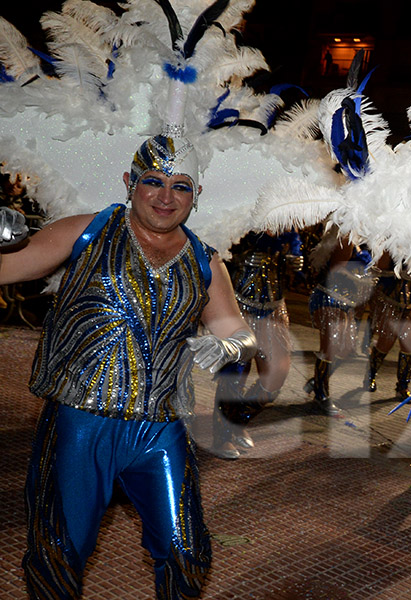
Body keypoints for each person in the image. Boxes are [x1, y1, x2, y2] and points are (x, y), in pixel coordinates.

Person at [0, 133, 256, 599]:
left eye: (181, 186)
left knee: (186, 553)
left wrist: (229, 348)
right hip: (81, 420)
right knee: (60, 549)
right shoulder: (87, 230)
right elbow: (7, 269)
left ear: (197, 196)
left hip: (159, 427)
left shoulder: (203, 259)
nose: (165, 196)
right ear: (129, 182)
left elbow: (237, 330)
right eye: (153, 181)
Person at [213, 230, 304, 459]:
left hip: (273, 306)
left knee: (277, 374)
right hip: (238, 303)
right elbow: (221, 251)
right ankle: (222, 435)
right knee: (235, 373)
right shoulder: (241, 215)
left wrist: (293, 260)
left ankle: (237, 419)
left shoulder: (285, 220)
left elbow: (294, 259)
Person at [306, 227, 376, 414]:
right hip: (329, 299)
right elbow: (338, 271)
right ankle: (322, 395)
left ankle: (317, 380)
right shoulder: (345, 237)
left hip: (344, 301)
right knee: (329, 348)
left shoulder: (354, 239)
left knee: (345, 348)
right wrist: (363, 279)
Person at [363, 258, 411, 399]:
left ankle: (403, 386)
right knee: (386, 342)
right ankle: (370, 375)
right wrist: (397, 272)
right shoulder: (395, 243)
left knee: (409, 343)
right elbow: (379, 269)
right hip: (392, 300)